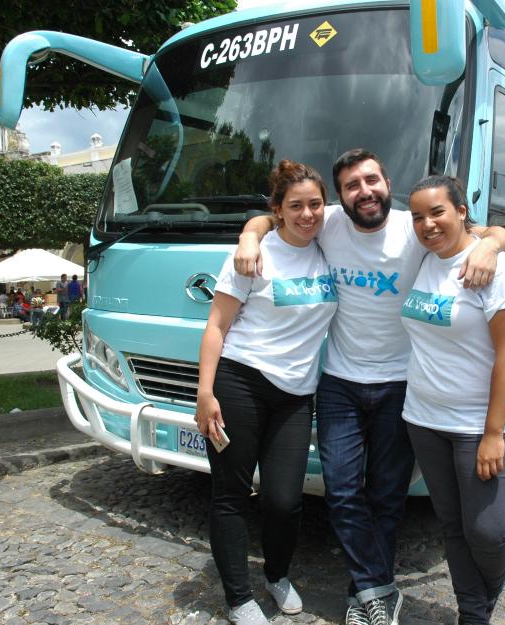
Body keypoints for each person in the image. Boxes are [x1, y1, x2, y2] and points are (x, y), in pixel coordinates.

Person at [234, 149, 505, 625]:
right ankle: (377, 590)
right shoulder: (329, 224)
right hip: (340, 383)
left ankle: (362, 595)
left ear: (388, 183)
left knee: (386, 497)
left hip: (401, 386)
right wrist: (248, 235)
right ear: (341, 197)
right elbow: (273, 216)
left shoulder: (415, 227)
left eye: (371, 180)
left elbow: (488, 232)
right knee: (342, 492)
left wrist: (491, 246)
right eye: (351, 185)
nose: (364, 191)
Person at [195, 160, 338, 625]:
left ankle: (276, 575)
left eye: (315, 204)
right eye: (295, 206)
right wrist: (205, 392)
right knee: (231, 494)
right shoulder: (253, 256)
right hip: (241, 383)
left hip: (296, 395)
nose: (307, 214)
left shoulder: (329, 246)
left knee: (284, 499)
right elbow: (216, 326)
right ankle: (238, 598)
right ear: (278, 210)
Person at [401, 176, 505, 625]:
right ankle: (473, 615)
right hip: (424, 419)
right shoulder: (424, 259)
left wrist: (494, 433)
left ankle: (483, 599)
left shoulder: (498, 271)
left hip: (482, 425)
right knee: (453, 526)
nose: (427, 224)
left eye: (437, 212)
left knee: (487, 531)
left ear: (461, 211)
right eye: (417, 217)